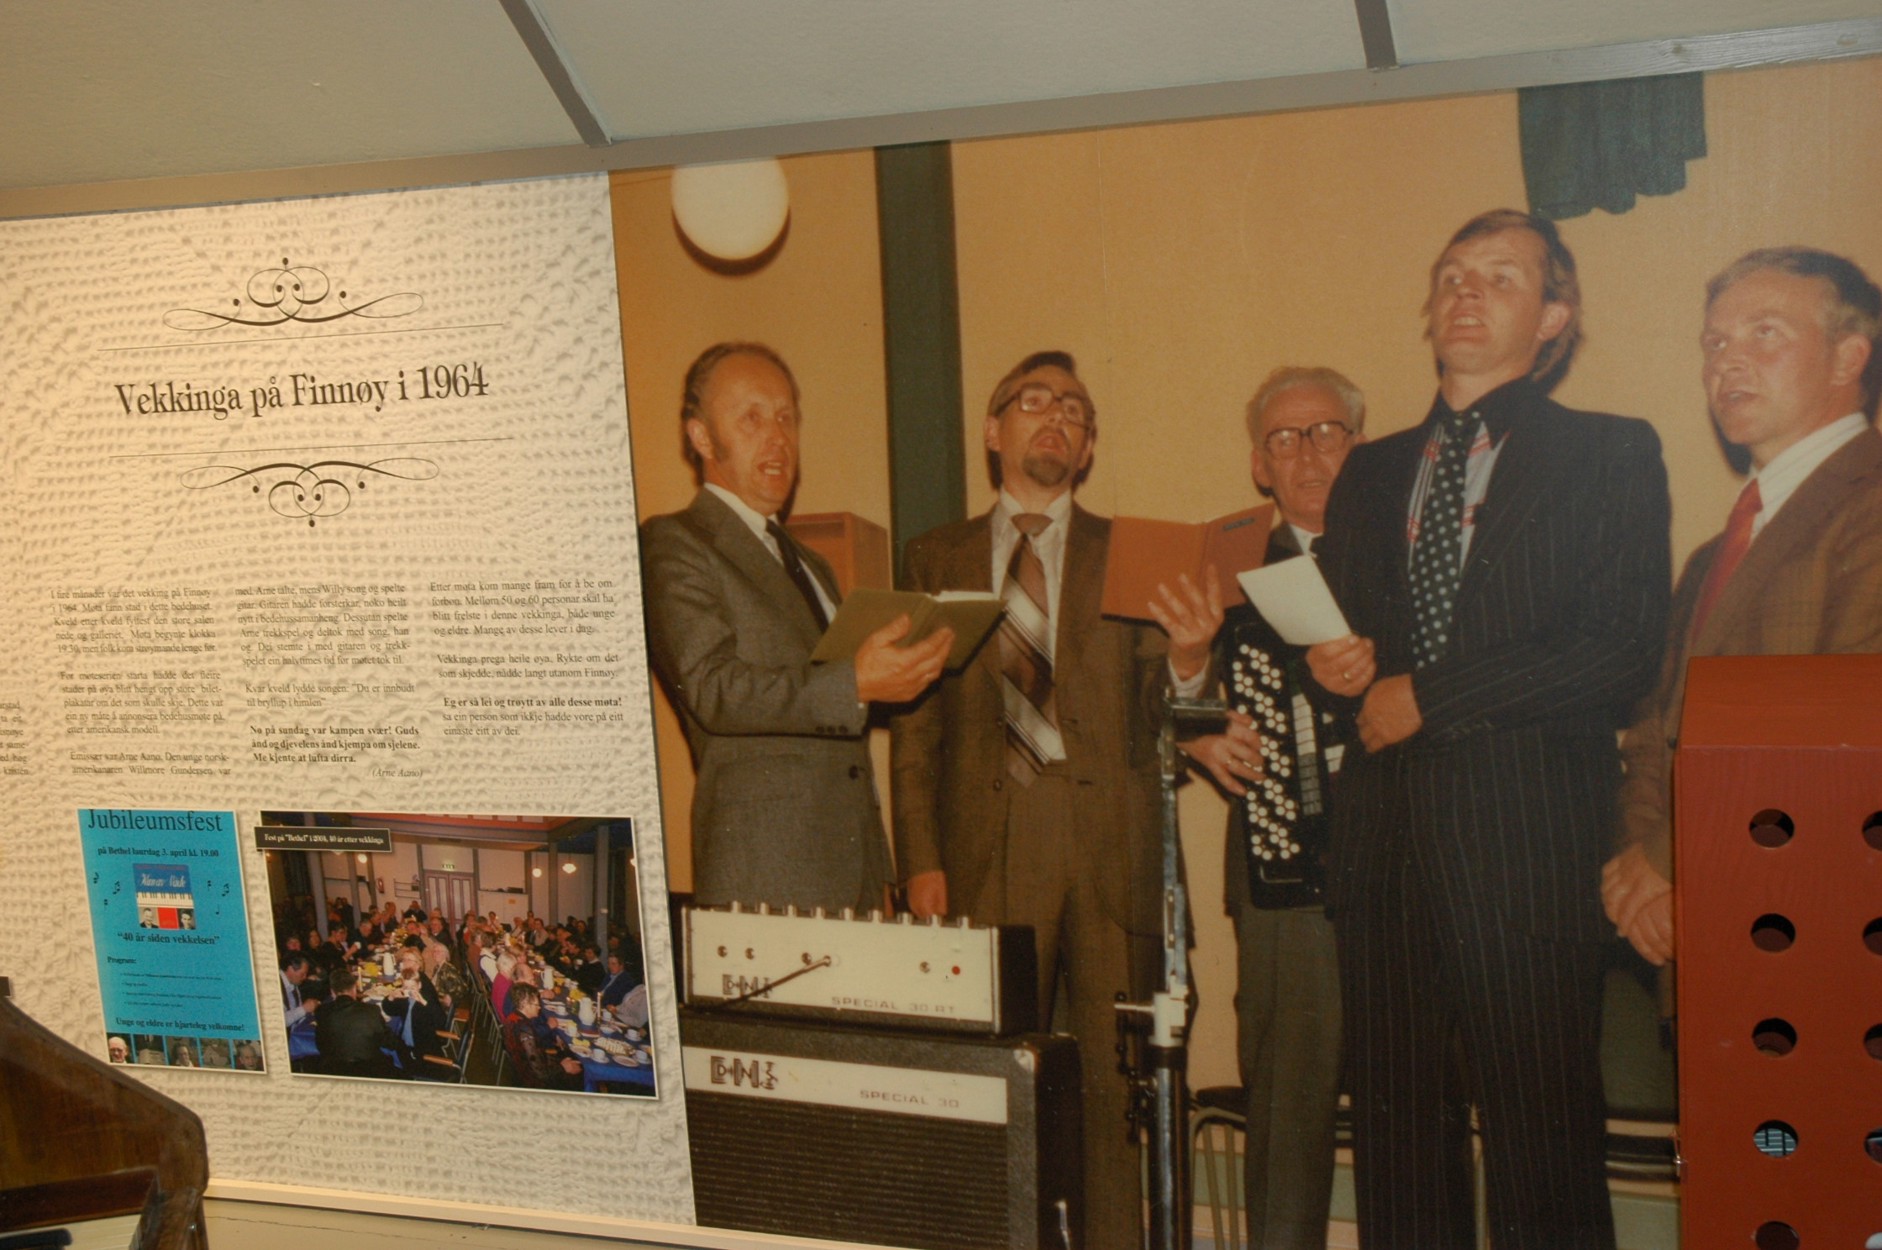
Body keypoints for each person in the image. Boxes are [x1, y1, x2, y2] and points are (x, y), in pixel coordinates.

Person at [1306, 209, 1670, 1248]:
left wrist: (1436, 692)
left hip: (1527, 841)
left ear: (1552, 316)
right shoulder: (1369, 471)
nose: (1466, 292)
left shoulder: (1608, 452)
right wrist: (1338, 664)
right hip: (1383, 845)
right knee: (1396, 1136)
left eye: (1500, 278)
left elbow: (1621, 646)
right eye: (1453, 275)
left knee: (1541, 1137)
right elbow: (1360, 649)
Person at [891, 350, 1221, 1250]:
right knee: (987, 1087)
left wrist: (1191, 659)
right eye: (1032, 402)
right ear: (993, 432)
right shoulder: (937, 554)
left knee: (1120, 1100)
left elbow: (1167, 712)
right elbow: (915, 729)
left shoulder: (1135, 553)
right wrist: (918, 860)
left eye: (1074, 409)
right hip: (984, 852)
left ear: (1086, 449)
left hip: (1109, 854)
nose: (1056, 417)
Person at [1604, 247, 1882, 966]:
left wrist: (1669, 861)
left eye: (1765, 333)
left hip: (1822, 930)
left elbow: (1841, 722)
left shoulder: (1872, 503)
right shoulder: (1709, 556)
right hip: (1704, 927)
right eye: (1715, 342)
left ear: (1849, 356)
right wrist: (1640, 864)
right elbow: (1656, 724)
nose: (1726, 362)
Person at [641, 341, 954, 912]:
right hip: (765, 873)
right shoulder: (674, 542)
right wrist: (855, 683)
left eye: (786, 417)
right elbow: (713, 688)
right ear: (702, 438)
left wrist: (879, 870)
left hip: (854, 876)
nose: (777, 437)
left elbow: (846, 742)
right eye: (752, 418)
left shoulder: (813, 565)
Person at [1185, 366, 1364, 1250]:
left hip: (1406, 877)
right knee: (1287, 1118)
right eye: (1286, 439)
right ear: (1260, 463)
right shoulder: (1224, 555)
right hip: (1281, 875)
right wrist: (1197, 733)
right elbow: (1166, 688)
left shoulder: (1407, 548)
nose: (1308, 453)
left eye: (1328, 431)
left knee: (1418, 1115)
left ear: (1357, 445)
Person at [315, 967, 400, 1079]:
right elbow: (389, 1042)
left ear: (332, 992)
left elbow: (321, 1044)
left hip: (334, 1071)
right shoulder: (371, 1010)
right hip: (370, 1071)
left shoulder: (321, 1011)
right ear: (355, 988)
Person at [503, 982, 585, 1091]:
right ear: (525, 1005)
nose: (539, 1008)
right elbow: (540, 1073)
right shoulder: (526, 1032)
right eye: (536, 1005)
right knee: (580, 1071)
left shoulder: (513, 1018)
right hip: (534, 1082)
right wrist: (563, 1067)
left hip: (522, 1073)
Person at [280, 953, 320, 1072]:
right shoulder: (275, 985)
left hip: (296, 1033)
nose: (304, 977)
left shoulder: (292, 981)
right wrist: (304, 1009)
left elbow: (295, 1008)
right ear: (290, 969)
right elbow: (280, 1021)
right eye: (302, 974)